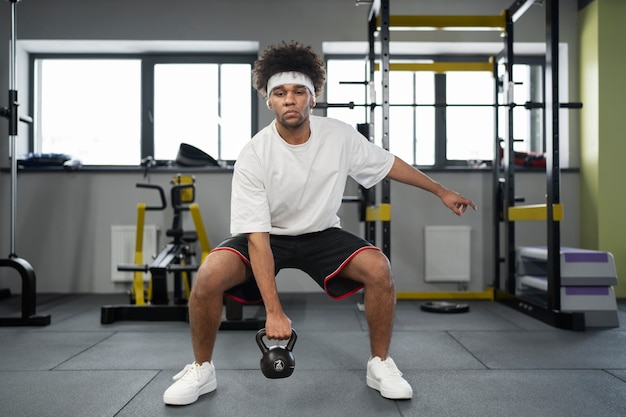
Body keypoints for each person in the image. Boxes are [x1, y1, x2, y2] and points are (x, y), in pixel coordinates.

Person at [163, 41, 476, 406]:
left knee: (378, 268)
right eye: (280, 93)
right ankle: (202, 369)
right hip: (270, 236)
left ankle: (380, 364)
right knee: (209, 276)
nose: (290, 100)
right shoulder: (255, 154)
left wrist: (440, 190)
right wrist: (274, 312)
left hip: (321, 233)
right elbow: (258, 240)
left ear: (314, 98)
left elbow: (388, 164)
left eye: (299, 92)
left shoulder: (339, 136)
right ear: (269, 100)